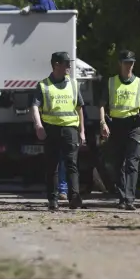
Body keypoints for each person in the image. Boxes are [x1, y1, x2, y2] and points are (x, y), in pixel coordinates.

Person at [30, 52, 86, 211]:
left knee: (72, 164)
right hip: (51, 130)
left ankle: (74, 197)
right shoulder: (43, 85)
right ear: (56, 65)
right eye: (66, 63)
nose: (69, 66)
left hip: (70, 130)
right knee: (52, 166)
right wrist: (38, 126)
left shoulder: (74, 84)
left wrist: (82, 131)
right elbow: (34, 107)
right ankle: (53, 199)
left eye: (69, 63)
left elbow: (80, 108)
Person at [98, 49, 140, 211]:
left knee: (132, 163)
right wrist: (103, 123)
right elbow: (101, 104)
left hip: (134, 126)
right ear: (120, 64)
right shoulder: (111, 82)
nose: (129, 66)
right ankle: (122, 197)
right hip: (116, 125)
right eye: (126, 63)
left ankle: (129, 198)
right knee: (118, 164)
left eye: (132, 63)